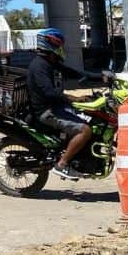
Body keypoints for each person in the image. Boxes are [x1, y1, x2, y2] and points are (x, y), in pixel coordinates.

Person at [25, 28, 111, 181]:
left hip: (56, 106)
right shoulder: (39, 66)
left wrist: (100, 76)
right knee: (84, 130)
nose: (60, 49)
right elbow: (49, 93)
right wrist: (72, 98)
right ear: (48, 45)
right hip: (47, 111)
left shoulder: (50, 62)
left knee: (92, 118)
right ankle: (62, 164)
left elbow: (74, 73)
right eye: (58, 45)